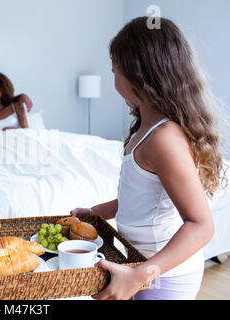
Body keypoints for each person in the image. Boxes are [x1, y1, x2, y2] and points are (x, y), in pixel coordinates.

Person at [71, 17, 227, 300]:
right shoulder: (146, 129)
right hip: (142, 268)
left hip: (164, 277)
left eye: (114, 71)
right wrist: (96, 213)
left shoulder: (164, 138)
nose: (113, 79)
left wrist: (141, 274)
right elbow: (142, 198)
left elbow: (201, 225)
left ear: (136, 75)